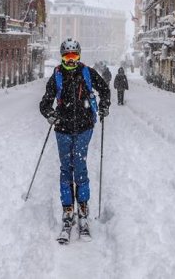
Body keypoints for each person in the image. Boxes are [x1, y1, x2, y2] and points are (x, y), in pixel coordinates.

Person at [39, 38, 111, 239]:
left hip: (84, 127)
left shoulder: (87, 73)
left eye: (74, 56)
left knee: (79, 165)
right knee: (66, 168)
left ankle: (83, 207)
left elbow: (105, 90)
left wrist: (105, 105)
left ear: (79, 56)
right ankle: (68, 208)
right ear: (62, 57)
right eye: (67, 56)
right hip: (62, 128)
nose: (71, 60)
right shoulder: (57, 76)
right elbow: (44, 103)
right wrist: (50, 114)